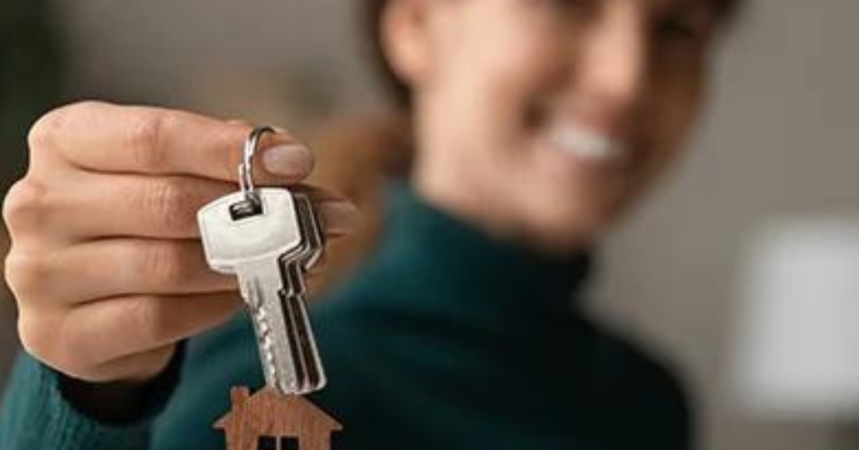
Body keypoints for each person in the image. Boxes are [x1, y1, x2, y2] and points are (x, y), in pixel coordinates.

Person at [0, 0, 743, 448]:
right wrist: (88, 393)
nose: (627, 75)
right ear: (417, 24)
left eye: (678, 27)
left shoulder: (645, 403)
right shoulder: (247, 392)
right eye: (567, 2)